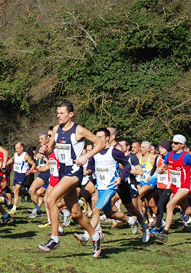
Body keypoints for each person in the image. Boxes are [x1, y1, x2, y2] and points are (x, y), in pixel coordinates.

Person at [37, 101, 104, 256]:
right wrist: (44, 150)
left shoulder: (78, 130)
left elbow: (99, 143)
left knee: (50, 199)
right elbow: (50, 150)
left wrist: (86, 156)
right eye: (57, 113)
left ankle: (55, 239)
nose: (58, 116)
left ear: (71, 114)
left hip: (74, 171)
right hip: (62, 171)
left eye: (62, 113)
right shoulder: (56, 129)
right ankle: (95, 236)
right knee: (76, 214)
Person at [74, 128, 133, 253]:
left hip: (111, 187)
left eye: (100, 137)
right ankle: (130, 220)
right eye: (97, 137)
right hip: (100, 187)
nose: (98, 139)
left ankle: (86, 235)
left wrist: (120, 178)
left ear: (107, 138)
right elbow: (91, 167)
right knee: (109, 213)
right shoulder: (95, 153)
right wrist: (87, 171)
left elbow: (127, 165)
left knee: (96, 209)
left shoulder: (114, 152)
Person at [154, 134, 191, 242]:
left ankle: (165, 233)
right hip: (174, 187)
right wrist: (161, 170)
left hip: (184, 187)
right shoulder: (169, 155)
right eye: (172, 142)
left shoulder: (186, 157)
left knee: (169, 206)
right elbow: (164, 167)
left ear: (182, 145)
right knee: (188, 211)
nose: (173, 145)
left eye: (176, 143)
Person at [8, 141, 36, 214]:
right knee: (15, 191)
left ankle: (14, 209)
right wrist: (4, 164)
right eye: (15, 148)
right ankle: (27, 192)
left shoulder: (26, 156)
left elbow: (33, 164)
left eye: (17, 148)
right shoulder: (15, 155)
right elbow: (11, 159)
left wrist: (29, 171)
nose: (16, 150)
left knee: (16, 191)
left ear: (22, 148)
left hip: (22, 174)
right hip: (16, 174)